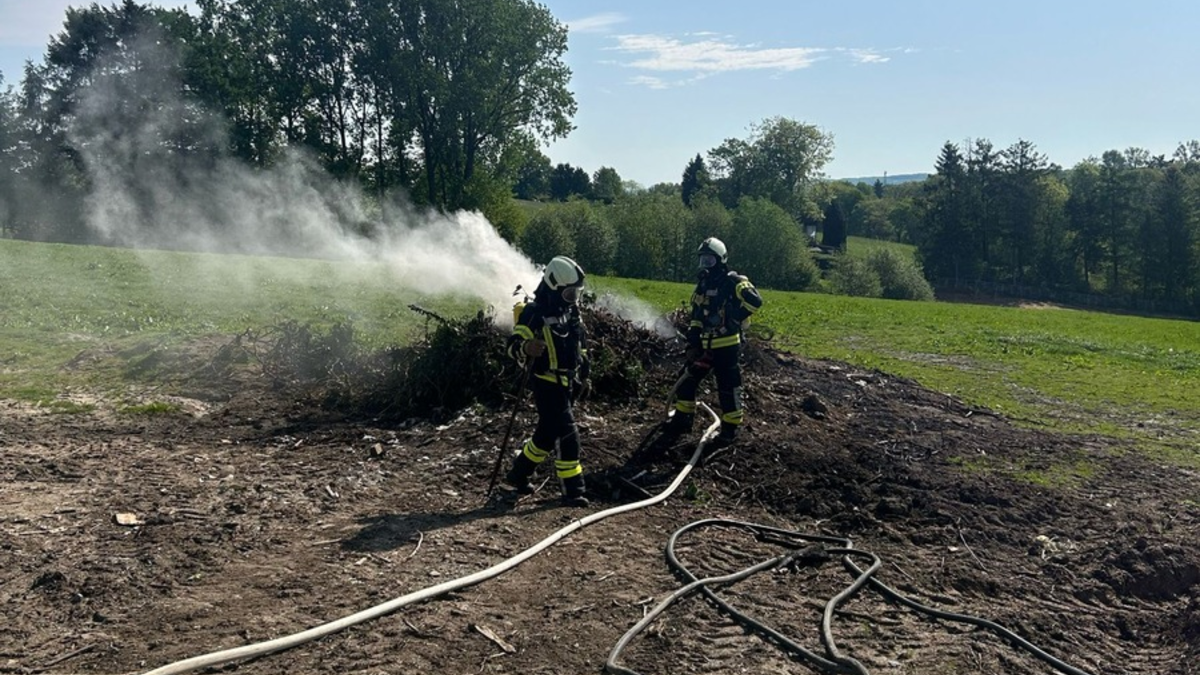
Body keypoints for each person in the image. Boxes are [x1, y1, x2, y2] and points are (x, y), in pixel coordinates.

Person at [503, 256, 591, 507]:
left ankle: (518, 474)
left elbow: (581, 346)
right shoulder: (534, 313)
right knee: (568, 436)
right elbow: (512, 346)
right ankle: (573, 490)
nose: (573, 299)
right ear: (554, 286)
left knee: (546, 434)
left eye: (576, 293)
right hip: (546, 384)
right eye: (569, 293)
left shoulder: (571, 311)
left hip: (569, 383)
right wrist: (526, 347)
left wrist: (585, 375)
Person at [666, 237, 763, 444]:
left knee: (728, 386)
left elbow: (755, 301)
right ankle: (683, 420)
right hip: (705, 346)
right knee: (686, 379)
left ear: (721, 260)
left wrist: (735, 317)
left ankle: (729, 430)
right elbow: (697, 314)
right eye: (702, 261)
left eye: (709, 261)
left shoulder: (733, 282)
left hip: (727, 347)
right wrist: (693, 339)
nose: (705, 266)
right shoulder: (702, 284)